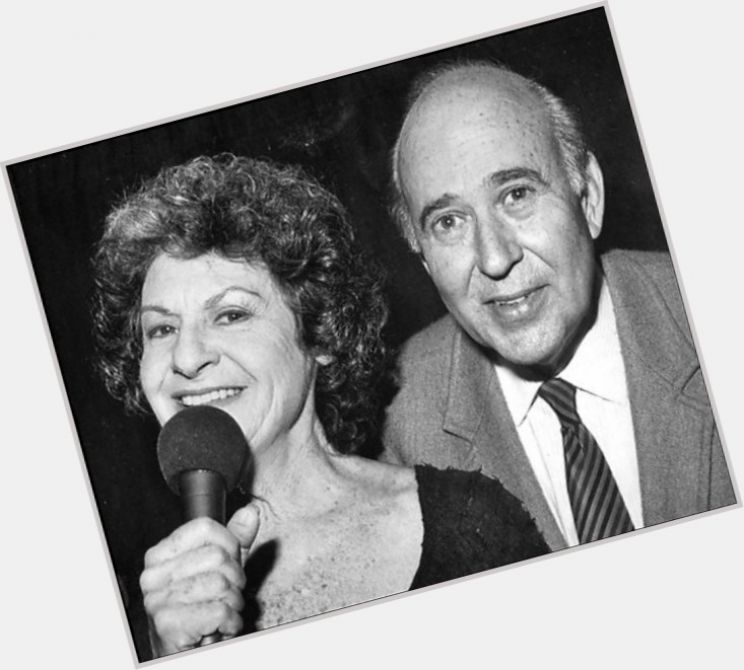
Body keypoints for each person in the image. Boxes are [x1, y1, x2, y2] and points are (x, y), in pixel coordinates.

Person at [92, 154, 548, 659]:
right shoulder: (145, 615)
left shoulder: (470, 519)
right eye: (161, 328)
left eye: (231, 315)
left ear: (321, 334)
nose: (186, 357)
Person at [383, 61, 735, 550]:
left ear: (587, 198)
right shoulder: (399, 421)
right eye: (449, 222)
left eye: (516, 194)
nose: (495, 258)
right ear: (424, 260)